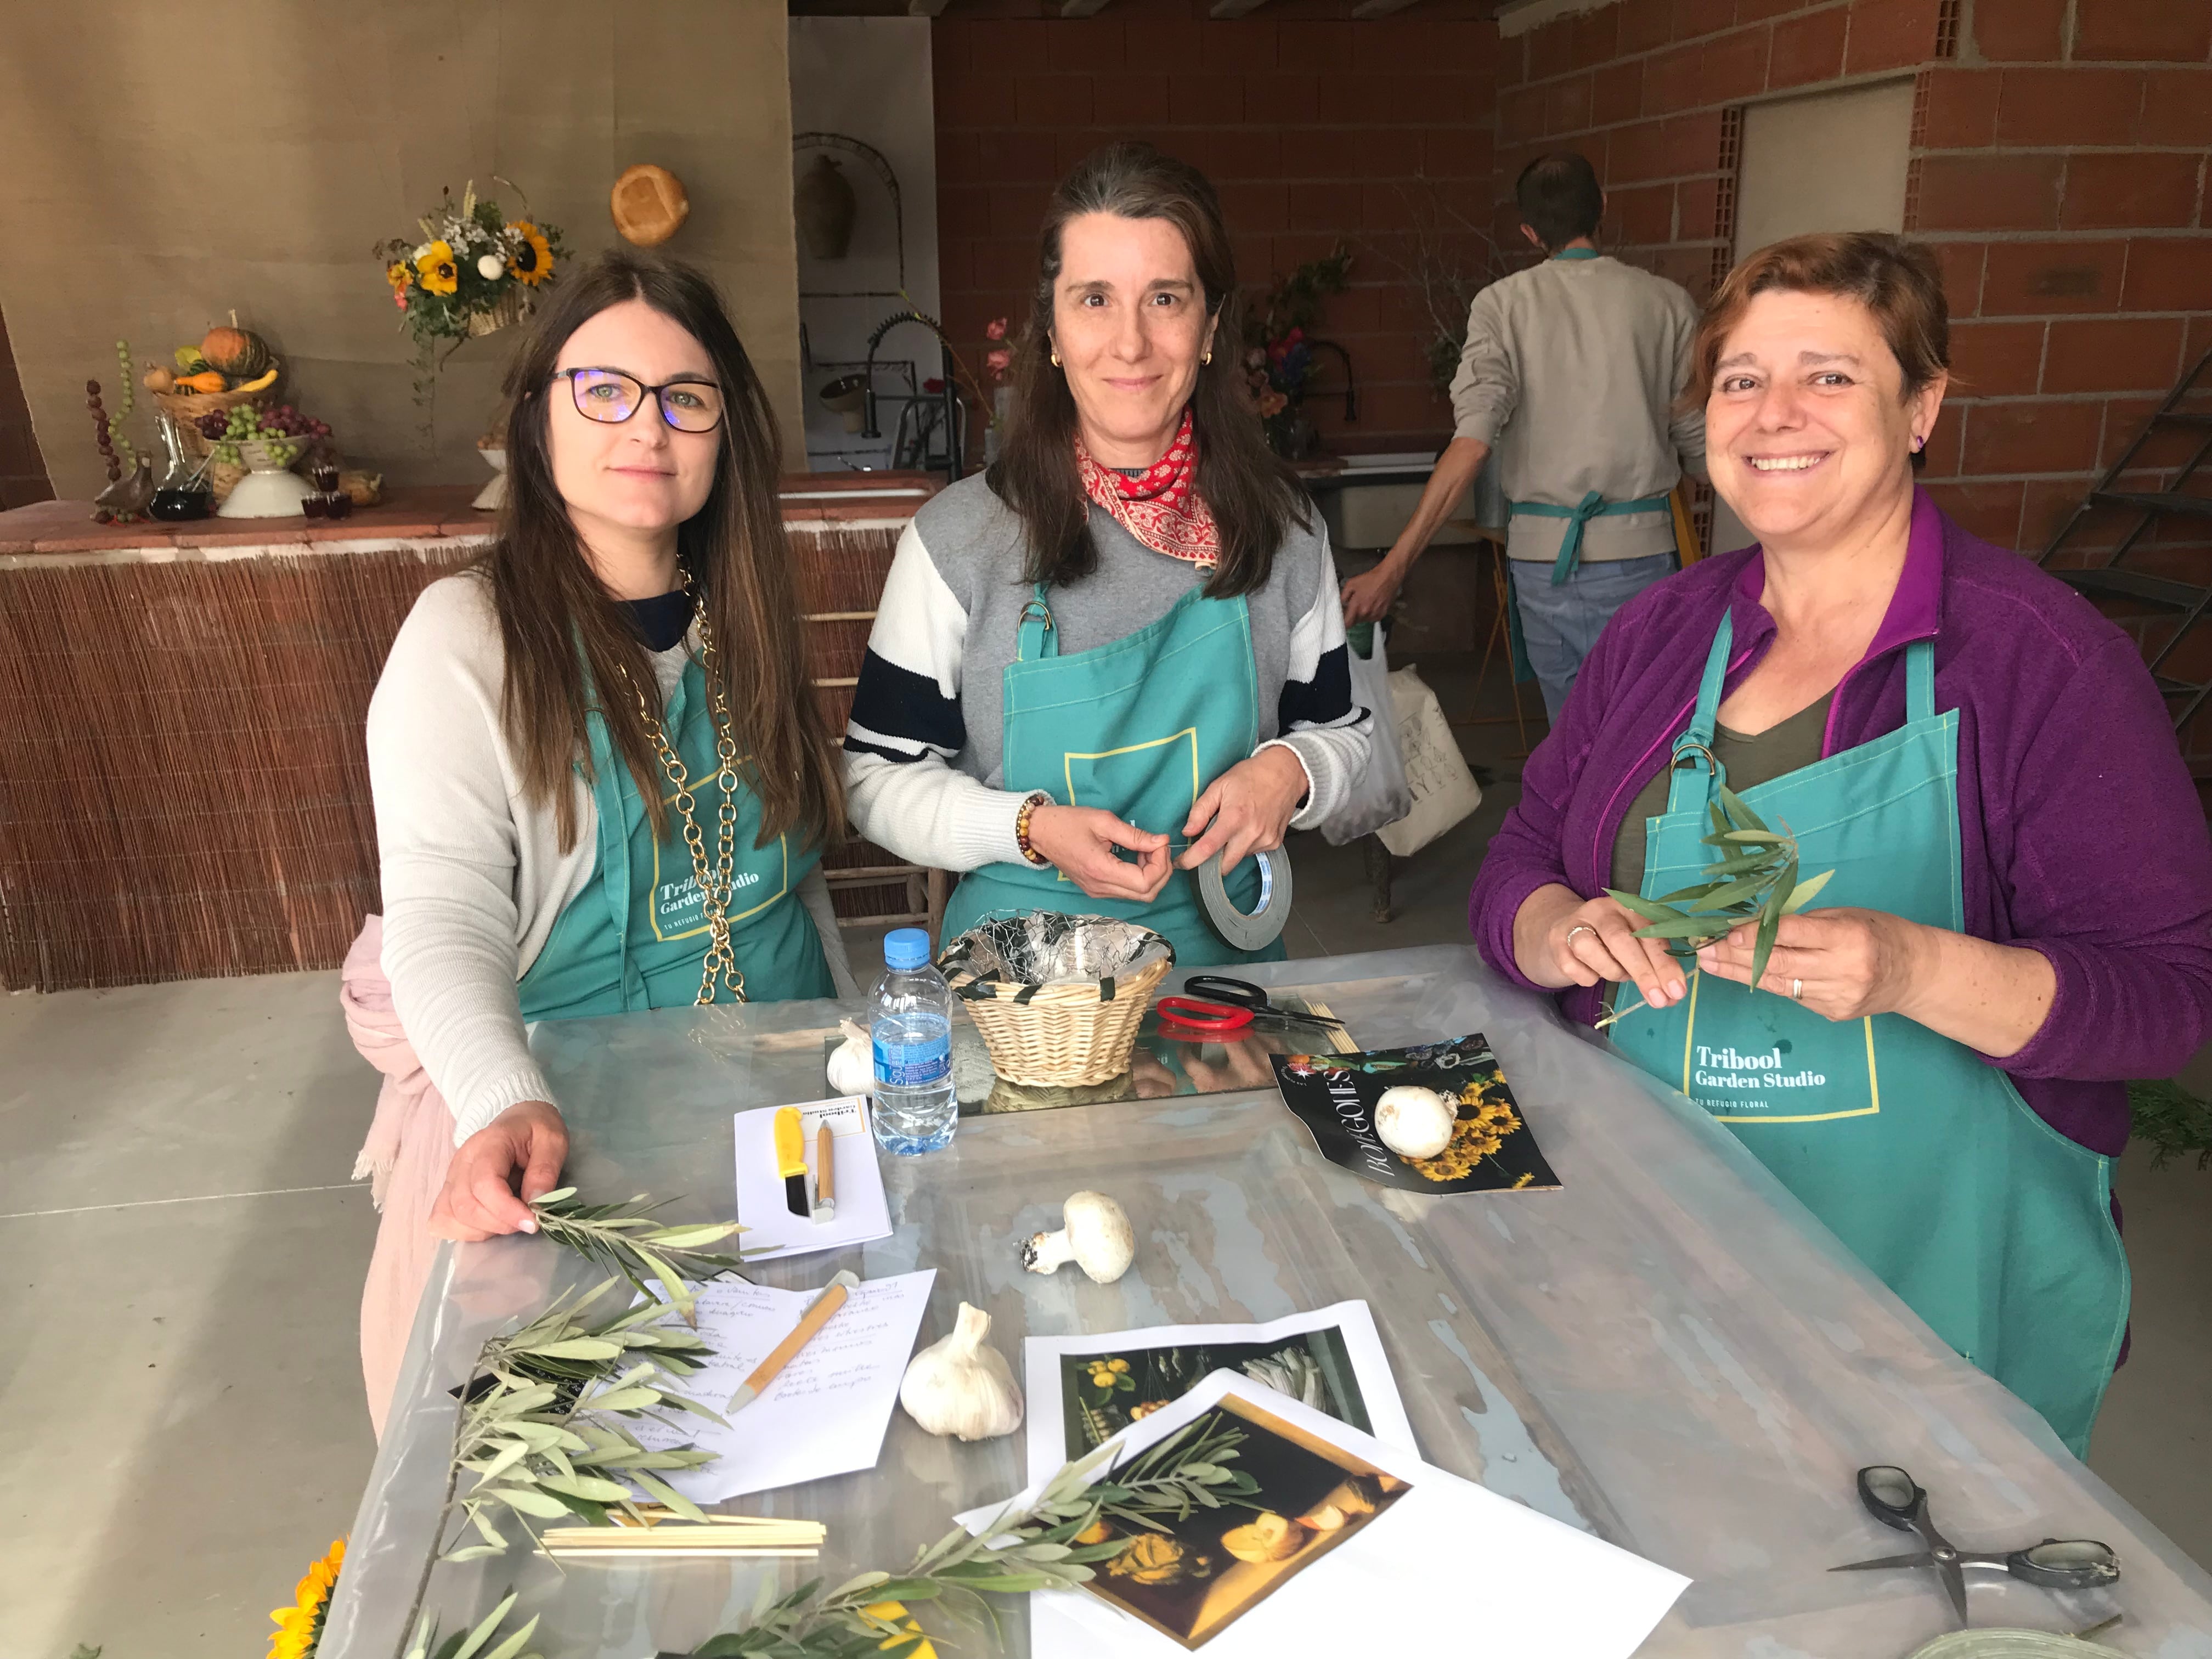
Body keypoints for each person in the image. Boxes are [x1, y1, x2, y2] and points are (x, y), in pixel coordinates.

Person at [1468, 232, 2212, 1455]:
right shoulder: (1661, 632)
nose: (1774, 415)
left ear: (1921, 408)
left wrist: (1916, 971)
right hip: (1654, 1245)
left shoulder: (2043, 663)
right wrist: (1555, 929)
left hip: (1929, 1284)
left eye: (1830, 376)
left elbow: (2170, 997)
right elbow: (1526, 851)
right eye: (1741, 378)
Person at [346, 251, 855, 1431]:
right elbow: (446, 911)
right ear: (535, 416)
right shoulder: (463, 638)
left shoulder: (748, 619)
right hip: (569, 1129)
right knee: (619, 1452)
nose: (648, 427)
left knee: (811, 1405)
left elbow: (795, 884)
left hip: (788, 1112)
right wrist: (502, 1096)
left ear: (725, 427)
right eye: (604, 390)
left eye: (687, 396)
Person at [842, 142, 1370, 968]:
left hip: (1224, 976)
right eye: (1094, 299)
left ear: (1210, 327)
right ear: (1050, 329)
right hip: (1016, 984)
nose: (1130, 343)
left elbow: (1347, 735)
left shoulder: (1283, 529)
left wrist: (1290, 771)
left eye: (1165, 298)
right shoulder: (959, 540)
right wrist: (1028, 828)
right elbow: (874, 780)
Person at [1341, 152, 1706, 720]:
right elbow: (1701, 442)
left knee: (1573, 737)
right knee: (1645, 733)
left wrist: (1393, 568)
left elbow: (1473, 443)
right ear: (1602, 207)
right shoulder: (1668, 304)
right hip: (1643, 555)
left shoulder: (1503, 305)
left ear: (1530, 231)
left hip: (1543, 564)